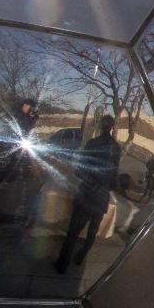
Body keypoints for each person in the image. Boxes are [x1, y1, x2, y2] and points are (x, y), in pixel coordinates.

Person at [53, 115, 121, 274]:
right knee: (92, 233)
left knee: (73, 232)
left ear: (101, 125)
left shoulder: (93, 143)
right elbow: (114, 173)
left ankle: (62, 264)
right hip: (102, 195)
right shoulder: (116, 148)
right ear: (111, 127)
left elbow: (80, 169)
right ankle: (80, 257)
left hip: (88, 193)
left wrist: (84, 175)